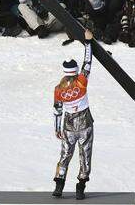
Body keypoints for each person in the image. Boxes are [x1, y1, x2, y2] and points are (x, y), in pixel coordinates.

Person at [52, 29, 94, 200]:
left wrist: (56, 128)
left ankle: (59, 186)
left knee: (65, 155)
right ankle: (80, 188)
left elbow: (57, 110)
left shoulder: (59, 89)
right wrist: (88, 42)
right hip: (85, 124)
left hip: (68, 125)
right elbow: (88, 62)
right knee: (85, 155)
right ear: (75, 71)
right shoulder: (81, 81)